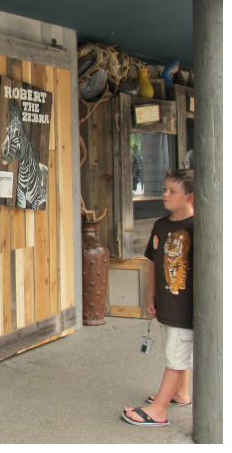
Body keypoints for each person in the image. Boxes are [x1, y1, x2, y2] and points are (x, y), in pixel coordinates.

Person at [122, 169, 194, 426]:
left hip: (187, 308)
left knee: (177, 357)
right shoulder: (160, 226)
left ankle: (158, 410)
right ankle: (180, 393)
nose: (165, 194)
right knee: (174, 350)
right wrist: (151, 295)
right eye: (164, 189)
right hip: (168, 303)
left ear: (191, 197)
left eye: (173, 191)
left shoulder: (199, 227)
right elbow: (153, 262)